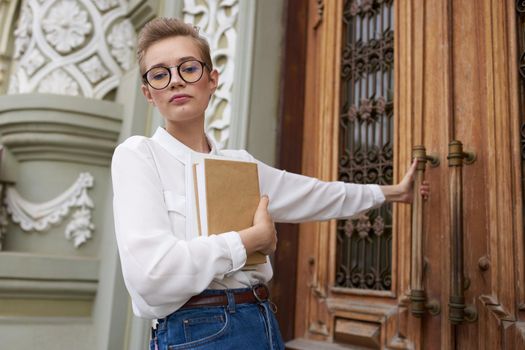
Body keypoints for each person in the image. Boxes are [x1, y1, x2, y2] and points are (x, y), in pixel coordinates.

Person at [111, 17, 430, 350]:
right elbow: (152, 276)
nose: (175, 81)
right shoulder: (139, 155)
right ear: (148, 93)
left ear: (212, 79)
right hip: (195, 332)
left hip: (260, 320)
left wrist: (392, 193)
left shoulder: (239, 166)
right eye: (160, 75)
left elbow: (314, 194)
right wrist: (250, 240)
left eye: (188, 68)